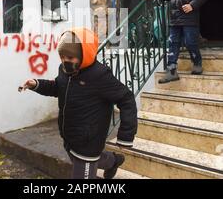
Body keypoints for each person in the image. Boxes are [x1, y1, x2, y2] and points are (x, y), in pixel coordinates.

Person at [20, 28, 138, 179]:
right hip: (69, 137)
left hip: (88, 142)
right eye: (62, 56)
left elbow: (126, 99)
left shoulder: (100, 75)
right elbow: (58, 87)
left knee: (86, 163)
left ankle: (109, 162)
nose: (65, 61)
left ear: (84, 55)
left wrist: (126, 135)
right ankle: (114, 161)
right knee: (86, 159)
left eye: (70, 57)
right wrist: (36, 84)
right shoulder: (63, 70)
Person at [143, 0, 210, 83]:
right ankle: (172, 71)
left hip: (189, 17)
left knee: (190, 42)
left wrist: (192, 5)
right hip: (174, 17)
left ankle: (197, 63)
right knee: (172, 43)